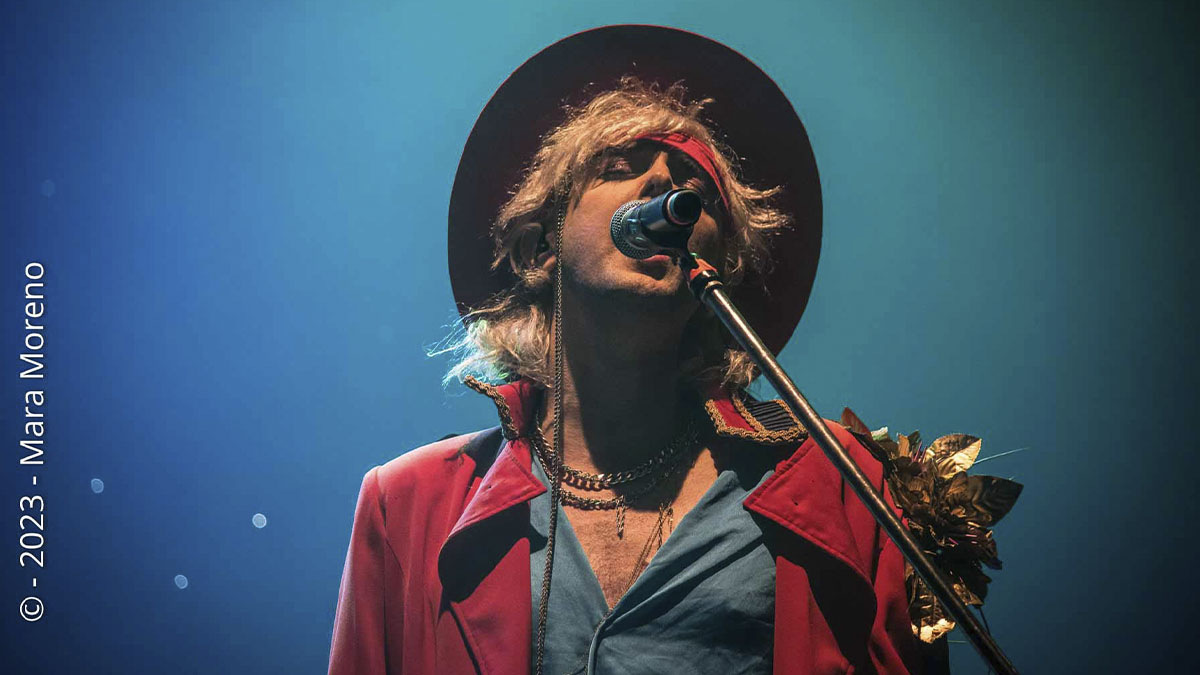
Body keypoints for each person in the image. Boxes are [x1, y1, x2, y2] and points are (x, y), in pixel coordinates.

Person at [329, 26, 938, 675]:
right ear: (540, 247)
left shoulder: (842, 486)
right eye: (619, 168)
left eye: (695, 193)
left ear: (717, 266)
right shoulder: (407, 504)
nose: (662, 184)